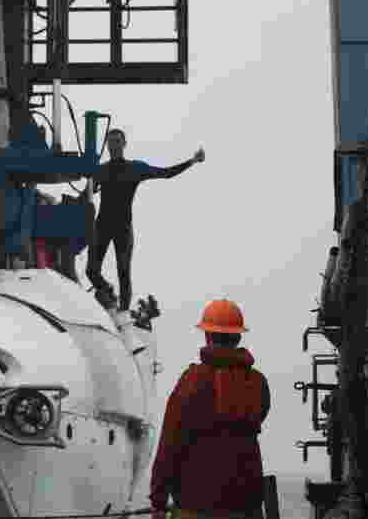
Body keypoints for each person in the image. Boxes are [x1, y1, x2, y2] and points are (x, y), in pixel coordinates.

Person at [149, 300, 270, 519]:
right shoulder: (258, 383)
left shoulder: (192, 382)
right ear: (238, 337)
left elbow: (170, 442)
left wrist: (158, 500)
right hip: (246, 507)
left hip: (195, 507)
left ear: (207, 336)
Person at [86, 128, 204, 311]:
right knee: (91, 271)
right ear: (106, 145)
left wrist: (192, 161)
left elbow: (166, 173)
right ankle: (107, 290)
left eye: (117, 141)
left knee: (123, 273)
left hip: (123, 228)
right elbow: (87, 192)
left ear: (124, 144)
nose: (114, 145)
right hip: (102, 226)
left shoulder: (135, 168)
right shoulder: (101, 170)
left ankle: (124, 312)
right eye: (110, 141)